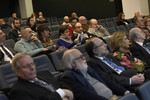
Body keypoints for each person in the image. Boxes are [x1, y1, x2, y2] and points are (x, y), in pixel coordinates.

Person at [61, 49, 130, 100]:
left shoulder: (87, 68)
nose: (84, 58)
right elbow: (86, 95)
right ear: (73, 63)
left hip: (115, 96)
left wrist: (124, 91)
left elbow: (106, 80)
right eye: (81, 57)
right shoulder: (68, 76)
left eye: (83, 56)